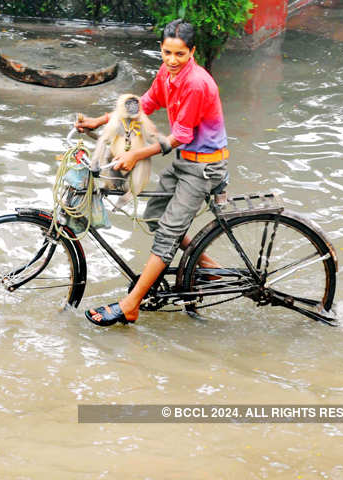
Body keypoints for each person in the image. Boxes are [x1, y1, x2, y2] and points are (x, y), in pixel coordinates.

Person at [75, 19, 229, 326]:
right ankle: (210, 268)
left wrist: (134, 154)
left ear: (192, 52)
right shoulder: (168, 75)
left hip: (204, 167)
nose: (172, 60)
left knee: (167, 236)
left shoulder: (196, 83)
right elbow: (143, 105)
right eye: (167, 52)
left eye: (180, 54)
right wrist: (100, 120)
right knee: (154, 217)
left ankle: (131, 304)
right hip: (188, 162)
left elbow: (178, 137)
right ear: (161, 49)